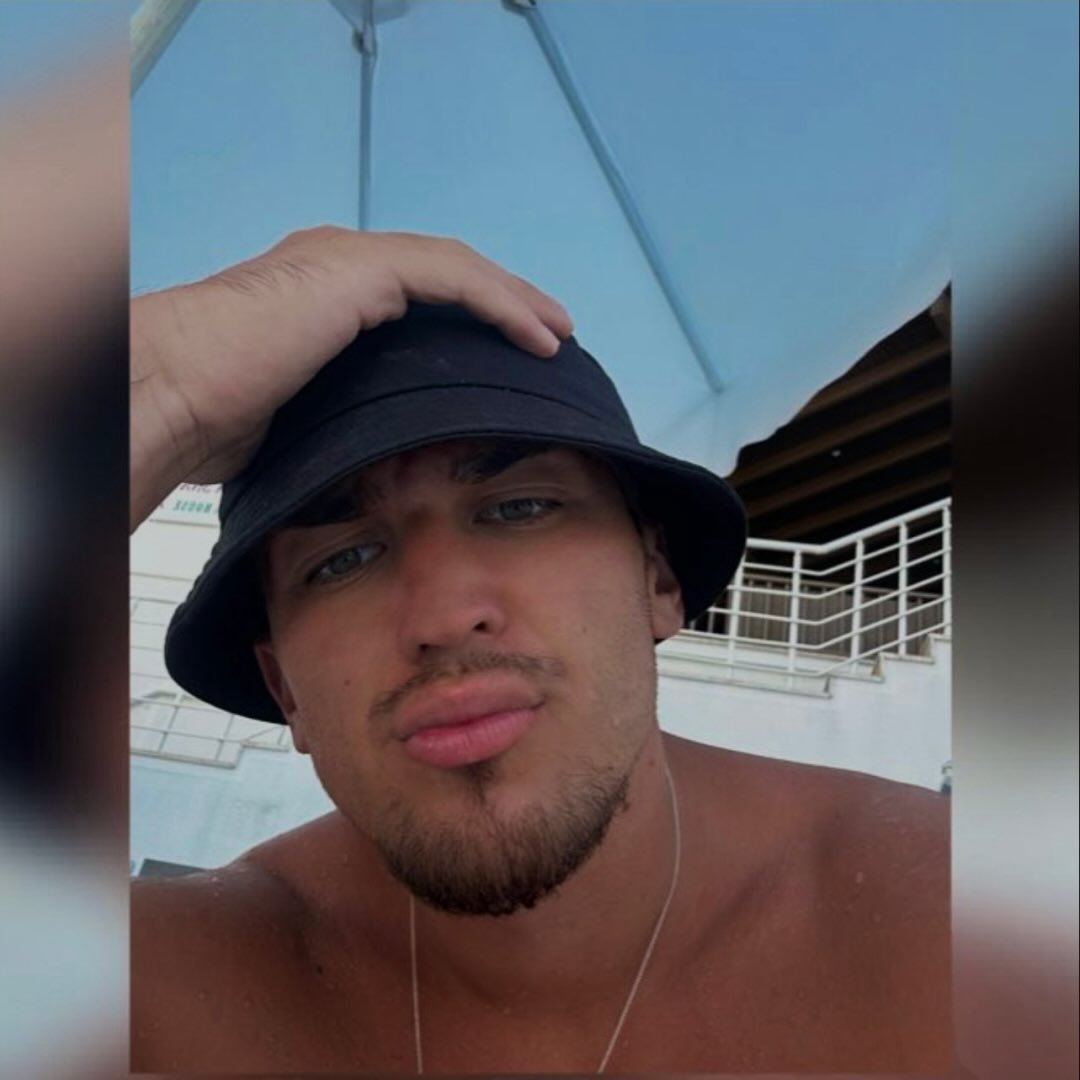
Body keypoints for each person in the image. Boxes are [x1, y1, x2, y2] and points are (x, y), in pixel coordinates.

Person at [130, 226, 950, 1074]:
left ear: (658, 578)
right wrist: (159, 383)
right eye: (341, 560)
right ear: (284, 690)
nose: (446, 616)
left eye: (519, 508)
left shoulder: (955, 918)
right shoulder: (166, 993)